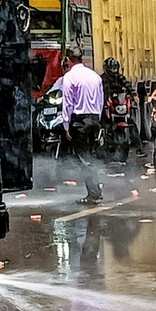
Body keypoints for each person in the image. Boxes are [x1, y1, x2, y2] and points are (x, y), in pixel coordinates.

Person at [57, 57, 106, 203]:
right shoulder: (94, 76)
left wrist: (66, 125)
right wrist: (98, 119)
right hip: (94, 119)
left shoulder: (70, 77)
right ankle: (95, 189)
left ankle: (94, 193)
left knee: (84, 158)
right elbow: (101, 100)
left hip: (79, 121)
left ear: (68, 60)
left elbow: (68, 102)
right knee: (89, 155)